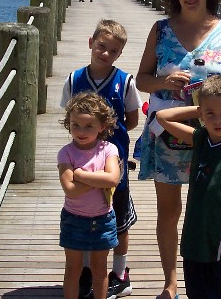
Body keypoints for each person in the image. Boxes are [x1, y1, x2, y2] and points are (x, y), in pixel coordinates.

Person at [136, 0, 221, 299]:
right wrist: (165, 81)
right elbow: (141, 80)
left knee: (209, 208)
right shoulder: (161, 29)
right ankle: (170, 283)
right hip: (166, 135)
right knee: (169, 212)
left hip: (210, 136)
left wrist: (211, 99)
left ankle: (213, 276)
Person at [154, 76, 221, 299]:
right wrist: (199, 109)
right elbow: (162, 117)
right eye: (210, 113)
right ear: (201, 114)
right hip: (194, 242)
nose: (217, 120)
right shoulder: (200, 138)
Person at [61, 19, 142, 299]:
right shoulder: (74, 79)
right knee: (83, 212)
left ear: (119, 54)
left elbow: (132, 119)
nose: (105, 53)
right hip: (81, 158)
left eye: (113, 51)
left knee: (117, 218)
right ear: (91, 43)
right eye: (101, 46)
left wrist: (108, 138)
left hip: (113, 161)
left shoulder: (125, 82)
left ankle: (119, 273)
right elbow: (67, 115)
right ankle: (85, 272)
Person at [58, 92, 121, 299]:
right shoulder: (66, 153)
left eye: (88, 126)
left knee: (100, 268)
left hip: (103, 218)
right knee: (73, 269)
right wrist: (97, 178)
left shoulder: (108, 149)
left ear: (102, 126)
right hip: (74, 219)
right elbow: (70, 190)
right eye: (75, 125)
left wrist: (80, 175)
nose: (81, 131)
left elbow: (112, 179)